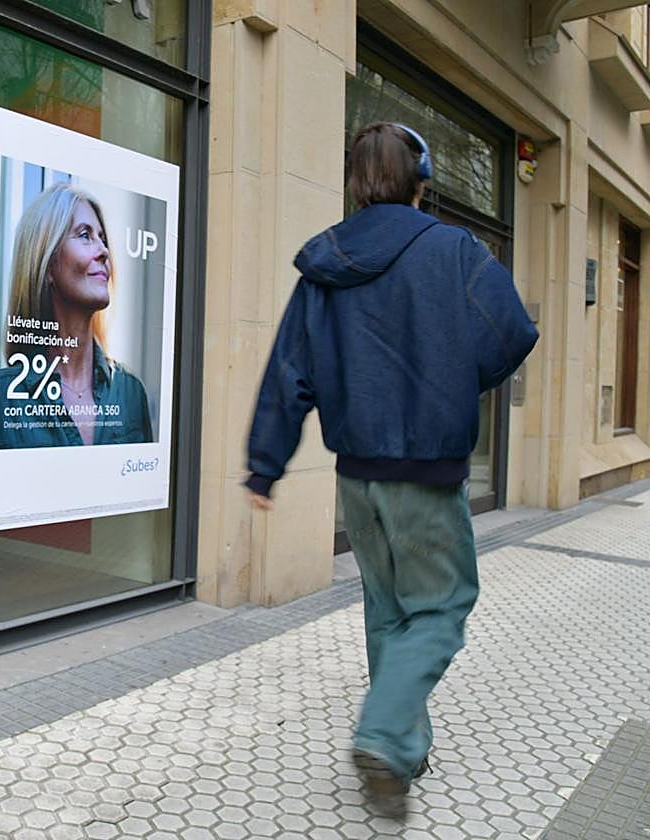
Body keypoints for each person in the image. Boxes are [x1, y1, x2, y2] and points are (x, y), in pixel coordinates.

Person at [245, 122, 538, 818]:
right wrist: (457, 379)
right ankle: (381, 734)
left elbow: (289, 376)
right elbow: (512, 334)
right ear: (421, 181)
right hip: (428, 471)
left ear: (355, 182)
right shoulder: (453, 252)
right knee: (441, 607)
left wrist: (264, 467)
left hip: (358, 475)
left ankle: (402, 753)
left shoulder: (327, 263)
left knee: (387, 610)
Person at [0, 182, 153, 449]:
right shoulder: (1, 397)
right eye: (85, 235)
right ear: (47, 263)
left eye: (102, 238)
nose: (104, 251)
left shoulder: (131, 391)